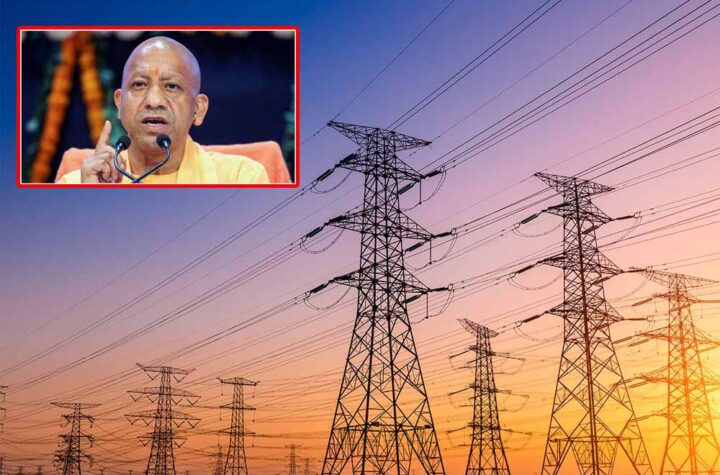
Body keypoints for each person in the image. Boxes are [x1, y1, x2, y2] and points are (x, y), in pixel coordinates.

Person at [57, 36, 270, 184]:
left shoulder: (241, 179)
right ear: (120, 103)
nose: (154, 101)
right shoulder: (78, 183)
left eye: (172, 86)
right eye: (139, 84)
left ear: (198, 109)